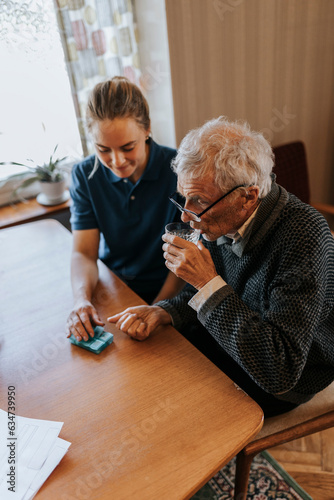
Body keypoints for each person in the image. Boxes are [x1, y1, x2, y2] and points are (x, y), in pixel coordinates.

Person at [108, 116, 334, 417]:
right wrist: (165, 310)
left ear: (248, 197)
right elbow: (208, 294)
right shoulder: (220, 218)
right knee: (145, 368)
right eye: (183, 199)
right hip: (231, 340)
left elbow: (279, 370)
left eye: (199, 201)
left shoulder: (305, 236)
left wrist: (206, 282)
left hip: (282, 380)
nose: (188, 217)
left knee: (169, 403)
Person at [66, 76, 184, 342]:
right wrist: (81, 300)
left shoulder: (179, 170)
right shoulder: (84, 175)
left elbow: (184, 261)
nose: (116, 161)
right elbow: (84, 253)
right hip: (114, 288)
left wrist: (156, 310)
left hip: (169, 292)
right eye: (103, 149)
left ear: (147, 130)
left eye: (127, 147)